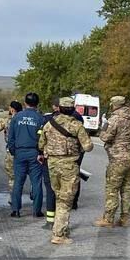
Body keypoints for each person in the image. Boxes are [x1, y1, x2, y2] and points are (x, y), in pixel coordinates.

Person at [38, 97, 93, 244]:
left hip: (52, 165)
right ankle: (59, 234)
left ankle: (61, 226)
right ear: (73, 109)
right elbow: (88, 146)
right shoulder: (77, 126)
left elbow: (41, 144)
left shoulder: (49, 124)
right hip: (69, 166)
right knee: (65, 200)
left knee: (58, 197)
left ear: (59, 108)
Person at [95, 96, 130, 228]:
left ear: (113, 105)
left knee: (112, 188)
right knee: (127, 187)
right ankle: (126, 218)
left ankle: (108, 218)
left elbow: (105, 137)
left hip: (118, 158)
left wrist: (103, 129)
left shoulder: (114, 119)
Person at [7, 92, 46, 218]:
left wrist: (14, 151)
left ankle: (15, 210)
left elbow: (10, 137)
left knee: (18, 182)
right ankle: (36, 210)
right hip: (35, 153)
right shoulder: (41, 118)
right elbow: (43, 138)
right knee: (36, 182)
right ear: (37, 104)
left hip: (20, 152)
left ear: (25, 103)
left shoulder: (17, 117)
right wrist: (40, 153)